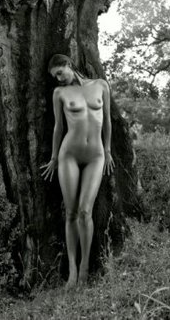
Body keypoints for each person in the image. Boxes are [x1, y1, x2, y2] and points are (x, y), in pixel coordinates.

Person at [40, 54, 115, 290]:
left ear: (68, 65)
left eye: (59, 73)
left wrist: (108, 150)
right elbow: (58, 127)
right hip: (69, 155)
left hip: (96, 156)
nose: (58, 79)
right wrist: (54, 157)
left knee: (85, 211)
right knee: (71, 212)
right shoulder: (59, 93)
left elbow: (108, 121)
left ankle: (85, 268)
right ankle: (72, 270)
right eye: (55, 77)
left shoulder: (101, 85)